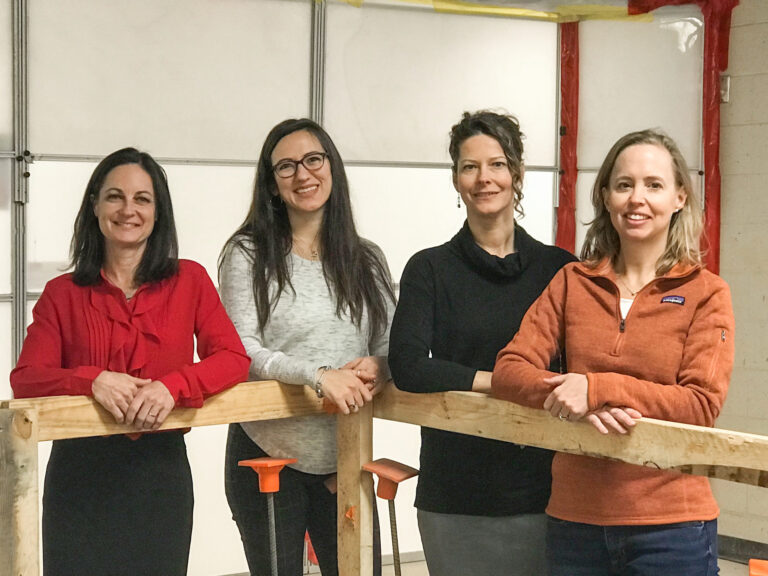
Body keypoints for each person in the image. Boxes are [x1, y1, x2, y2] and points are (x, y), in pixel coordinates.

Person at [492, 129, 734, 576]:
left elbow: (700, 405)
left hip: (672, 526)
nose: (637, 198)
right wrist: (571, 396)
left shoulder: (707, 293)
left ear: (679, 197)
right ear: (605, 196)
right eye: (624, 185)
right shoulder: (572, 282)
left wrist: (598, 388)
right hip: (574, 521)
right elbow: (509, 371)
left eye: (653, 185)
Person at [10, 147, 250, 576]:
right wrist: (93, 380)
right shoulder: (61, 294)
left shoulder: (190, 280)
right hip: (77, 481)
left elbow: (233, 359)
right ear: (95, 206)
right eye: (115, 196)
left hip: (160, 475)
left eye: (143, 199)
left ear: (159, 212)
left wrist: (172, 385)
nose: (128, 209)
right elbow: (27, 379)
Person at [388, 110, 576, 575]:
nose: (483, 178)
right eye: (470, 166)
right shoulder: (429, 269)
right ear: (456, 179)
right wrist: (504, 381)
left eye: (496, 164)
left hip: (545, 490)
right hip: (455, 492)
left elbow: (578, 365)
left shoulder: (560, 269)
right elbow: (409, 365)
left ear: (517, 174)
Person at [219, 118, 395, 576]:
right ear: (272, 185)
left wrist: (380, 364)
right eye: (286, 167)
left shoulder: (367, 259)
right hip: (266, 455)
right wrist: (318, 376)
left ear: (331, 167)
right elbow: (243, 350)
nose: (303, 175)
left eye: (313, 160)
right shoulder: (248, 253)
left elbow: (391, 345)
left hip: (345, 455)